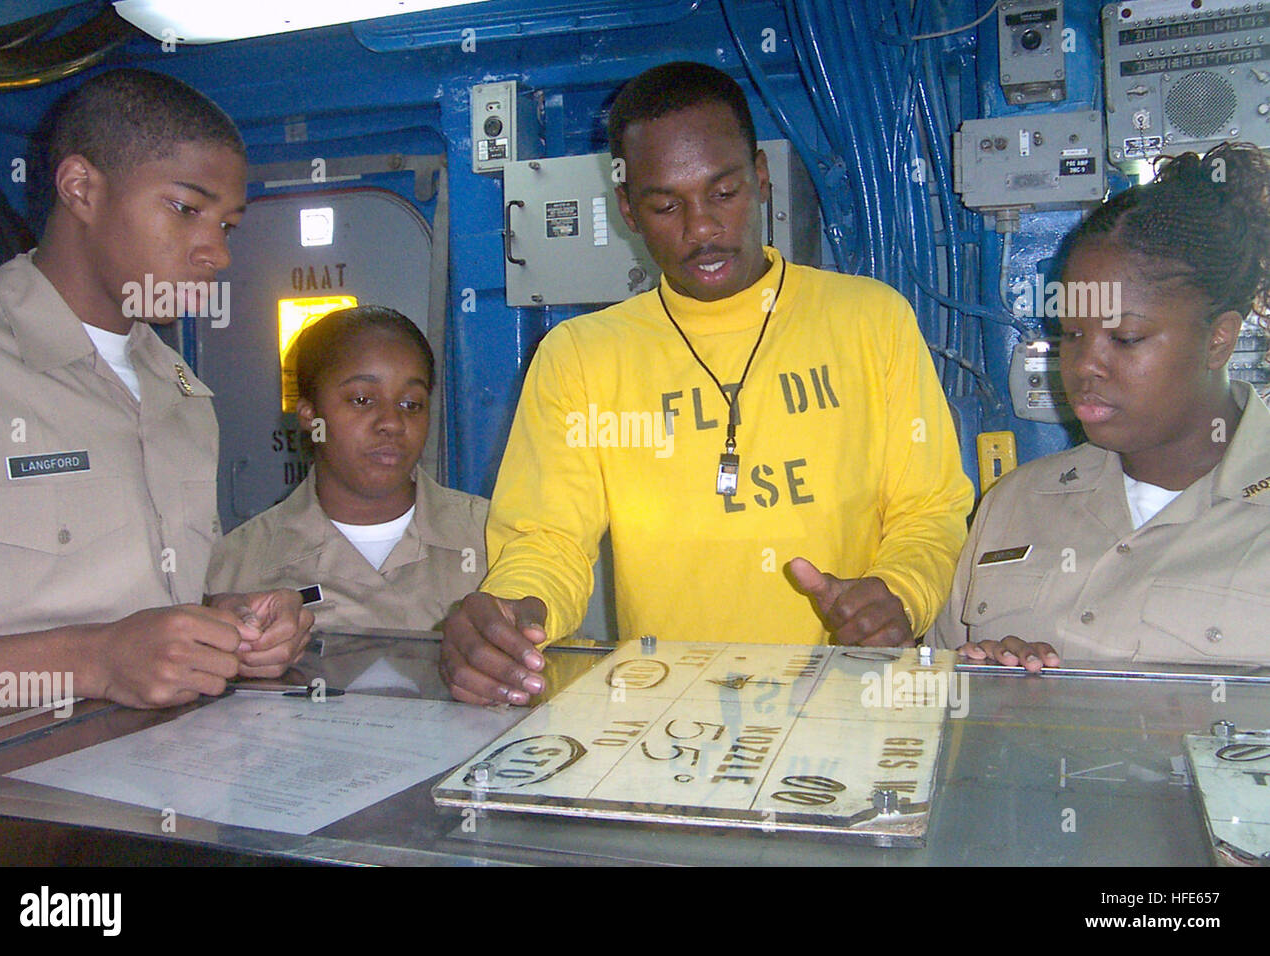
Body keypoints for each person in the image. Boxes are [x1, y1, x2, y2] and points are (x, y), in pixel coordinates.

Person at [440, 61, 974, 705]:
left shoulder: (871, 319)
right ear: (630, 213)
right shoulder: (581, 357)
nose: (701, 230)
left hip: (850, 700)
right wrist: (515, 614)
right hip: (672, 719)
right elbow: (547, 540)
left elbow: (929, 509)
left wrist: (900, 592)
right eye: (667, 205)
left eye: (724, 193)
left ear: (762, 179)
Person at [0, 68, 312, 710]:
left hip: (161, 784)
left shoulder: (179, 393)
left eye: (228, 225)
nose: (217, 253)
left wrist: (224, 624)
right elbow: (113, 649)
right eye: (187, 209)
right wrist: (95, 662)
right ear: (80, 189)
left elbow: (142, 610)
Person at [931, 141, 1270, 668]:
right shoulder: (1015, 502)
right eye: (1070, 335)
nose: (1084, 366)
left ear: (1219, 340)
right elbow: (939, 698)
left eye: (1126, 339)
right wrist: (986, 682)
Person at [207, 306, 489, 630]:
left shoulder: (495, 539)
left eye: (411, 404)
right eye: (361, 399)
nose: (392, 423)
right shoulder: (236, 567)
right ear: (310, 416)